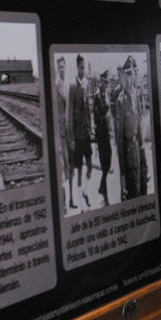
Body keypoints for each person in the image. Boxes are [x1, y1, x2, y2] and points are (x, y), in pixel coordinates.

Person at [113, 56, 146, 201]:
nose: (131, 78)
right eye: (129, 75)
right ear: (125, 77)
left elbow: (139, 128)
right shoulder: (121, 101)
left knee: (143, 191)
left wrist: (144, 157)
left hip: (138, 151)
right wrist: (122, 174)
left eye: (133, 74)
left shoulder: (136, 96)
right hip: (129, 154)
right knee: (134, 194)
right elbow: (119, 140)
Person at [69, 55, 94, 208]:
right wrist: (71, 137)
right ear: (77, 67)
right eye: (81, 67)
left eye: (84, 67)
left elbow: (88, 111)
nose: (83, 70)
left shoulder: (86, 84)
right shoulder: (72, 86)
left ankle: (85, 191)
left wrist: (90, 130)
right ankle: (80, 201)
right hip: (77, 136)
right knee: (78, 170)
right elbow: (69, 114)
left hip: (86, 134)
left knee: (90, 166)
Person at [54, 57, 72, 214]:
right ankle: (64, 204)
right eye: (59, 67)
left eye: (63, 67)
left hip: (69, 131)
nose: (62, 69)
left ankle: (70, 199)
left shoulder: (68, 85)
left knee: (70, 166)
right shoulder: (56, 86)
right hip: (60, 133)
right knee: (63, 167)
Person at [92, 70, 113, 206]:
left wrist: (109, 126)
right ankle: (105, 196)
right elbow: (96, 115)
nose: (106, 84)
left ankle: (101, 187)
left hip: (107, 133)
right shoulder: (97, 96)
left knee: (109, 160)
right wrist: (104, 118)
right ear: (101, 82)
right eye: (105, 82)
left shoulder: (106, 95)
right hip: (100, 134)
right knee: (105, 163)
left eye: (107, 82)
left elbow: (109, 112)